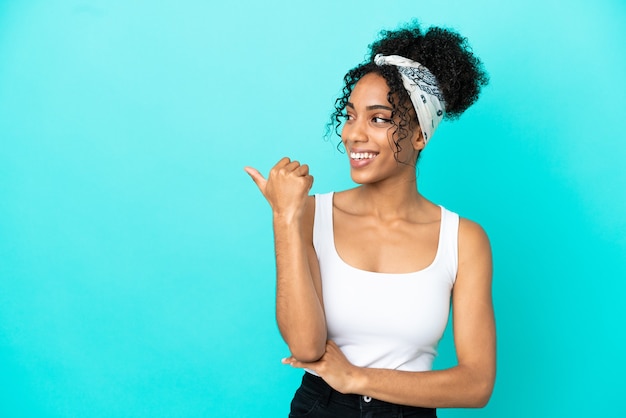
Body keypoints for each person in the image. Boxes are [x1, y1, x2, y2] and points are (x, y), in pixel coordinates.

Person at [245, 21, 495, 417]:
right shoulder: (310, 214)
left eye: (378, 119)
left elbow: (477, 384)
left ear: (419, 135)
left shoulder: (463, 240)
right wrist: (284, 216)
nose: (352, 134)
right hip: (320, 406)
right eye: (350, 116)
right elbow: (306, 348)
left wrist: (358, 377)